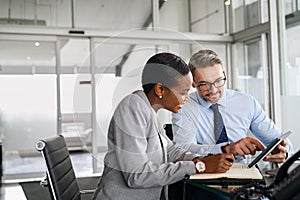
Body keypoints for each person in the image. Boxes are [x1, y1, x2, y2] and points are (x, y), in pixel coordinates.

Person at [92, 52, 234, 200]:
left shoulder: (149, 110)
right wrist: (198, 167)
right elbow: (137, 176)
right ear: (160, 89)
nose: (187, 98)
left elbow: (170, 151)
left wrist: (201, 159)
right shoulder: (132, 107)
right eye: (183, 92)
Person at [172, 49, 293, 163]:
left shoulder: (246, 102)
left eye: (218, 81)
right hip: (204, 176)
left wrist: (284, 152)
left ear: (224, 74)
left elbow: (278, 139)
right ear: (193, 83)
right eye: (204, 84)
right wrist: (225, 149)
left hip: (245, 174)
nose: (213, 90)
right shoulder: (183, 106)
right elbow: (183, 150)